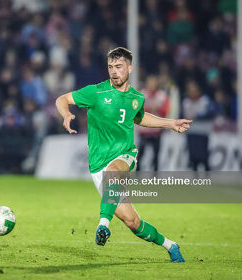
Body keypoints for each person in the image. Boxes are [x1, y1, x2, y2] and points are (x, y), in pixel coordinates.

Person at [56, 47, 192, 263]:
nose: (114, 71)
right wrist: (66, 114)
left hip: (124, 156)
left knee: (113, 172)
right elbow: (62, 99)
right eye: (110, 67)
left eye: (118, 67)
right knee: (133, 223)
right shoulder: (96, 92)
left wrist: (170, 123)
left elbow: (139, 117)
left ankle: (103, 225)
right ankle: (170, 245)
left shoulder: (136, 97)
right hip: (97, 164)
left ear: (130, 68)